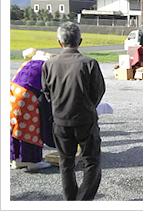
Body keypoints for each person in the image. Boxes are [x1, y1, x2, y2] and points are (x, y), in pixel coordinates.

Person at [41, 22, 105, 201]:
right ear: (80, 41)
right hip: (85, 120)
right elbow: (98, 92)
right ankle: (83, 200)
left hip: (60, 121)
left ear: (60, 42)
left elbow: (47, 93)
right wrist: (87, 105)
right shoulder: (89, 63)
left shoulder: (49, 65)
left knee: (66, 163)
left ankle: (71, 201)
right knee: (91, 162)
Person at [10, 50, 55, 171]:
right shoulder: (46, 66)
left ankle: (17, 160)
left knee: (17, 125)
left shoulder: (28, 64)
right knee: (32, 127)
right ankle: (33, 162)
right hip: (28, 96)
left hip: (14, 93)